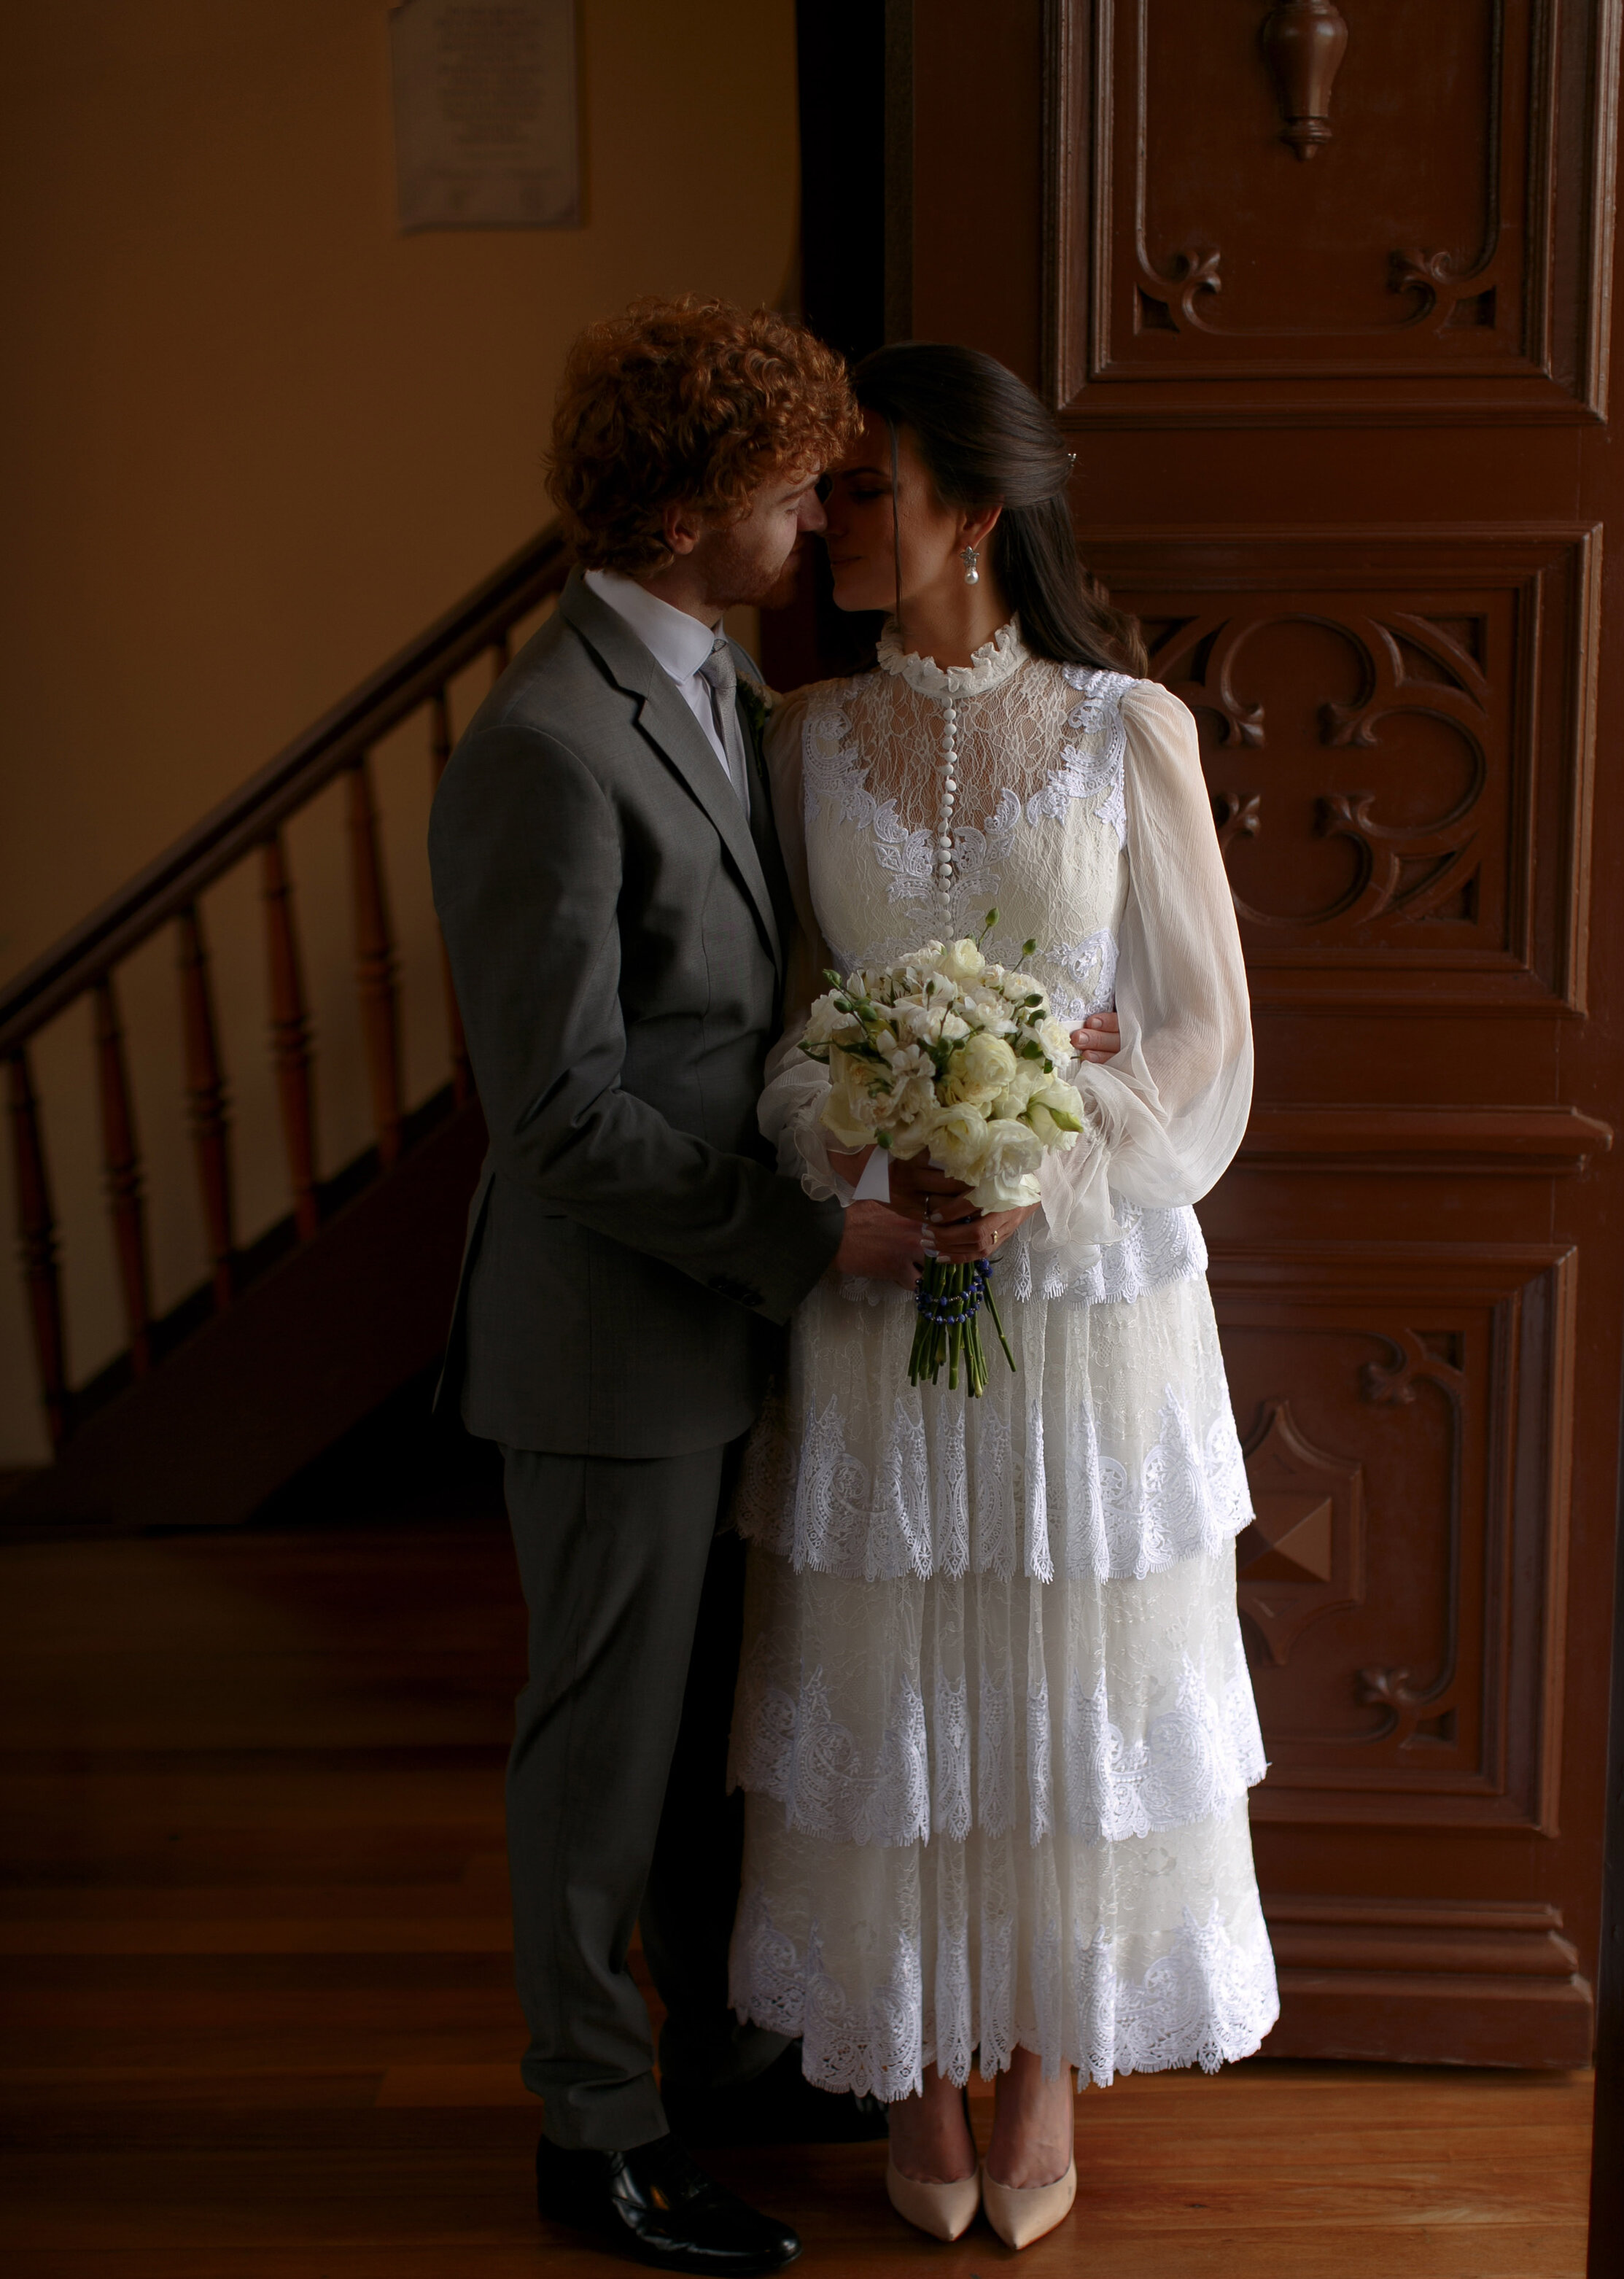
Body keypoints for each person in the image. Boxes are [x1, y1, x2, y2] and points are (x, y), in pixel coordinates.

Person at [726, 343, 1281, 2253]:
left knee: (1070, 1655)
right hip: (883, 1278)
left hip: (1093, 1282)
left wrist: (1045, 1151)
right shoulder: (790, 741)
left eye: (863, 490)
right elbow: (784, 1035)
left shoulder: (1129, 729)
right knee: (900, 1658)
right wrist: (860, 1144)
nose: (830, 529)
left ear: (970, 506)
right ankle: (923, 2059)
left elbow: (1200, 1035)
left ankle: (1043, 2056)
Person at [429, 298, 931, 2277]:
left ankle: (724, 2056)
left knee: (723, 1722)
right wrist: (813, 1236)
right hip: (607, 1346)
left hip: (724, 1322)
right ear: (706, 502)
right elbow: (556, 1120)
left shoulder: (718, 681)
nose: (819, 521)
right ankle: (593, 2130)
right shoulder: (544, 749)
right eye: (798, 490)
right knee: (603, 1752)